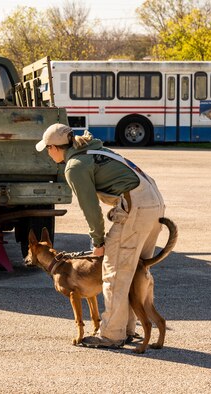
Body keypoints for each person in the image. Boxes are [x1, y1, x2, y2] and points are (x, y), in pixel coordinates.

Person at [35, 123, 165, 349]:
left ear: (56, 148)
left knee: (113, 273)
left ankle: (112, 335)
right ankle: (127, 329)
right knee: (133, 270)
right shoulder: (95, 150)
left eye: (48, 148)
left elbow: (90, 208)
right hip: (154, 202)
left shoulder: (74, 166)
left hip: (136, 208)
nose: (47, 153)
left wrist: (98, 241)